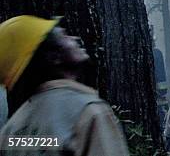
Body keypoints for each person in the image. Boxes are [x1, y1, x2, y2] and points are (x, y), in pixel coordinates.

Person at [0, 15, 129, 155]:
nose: (74, 39)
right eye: (65, 36)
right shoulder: (87, 112)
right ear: (53, 56)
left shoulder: (11, 129)